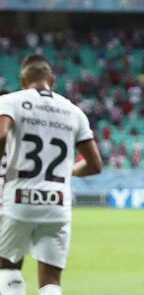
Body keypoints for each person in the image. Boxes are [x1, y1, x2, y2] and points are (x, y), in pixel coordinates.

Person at [0, 55, 102, 295]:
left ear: (23, 79)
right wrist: (68, 170)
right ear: (52, 79)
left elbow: (2, 135)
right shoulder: (73, 110)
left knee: (9, 268)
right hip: (57, 203)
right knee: (51, 281)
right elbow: (95, 164)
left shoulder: (10, 101)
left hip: (19, 200)